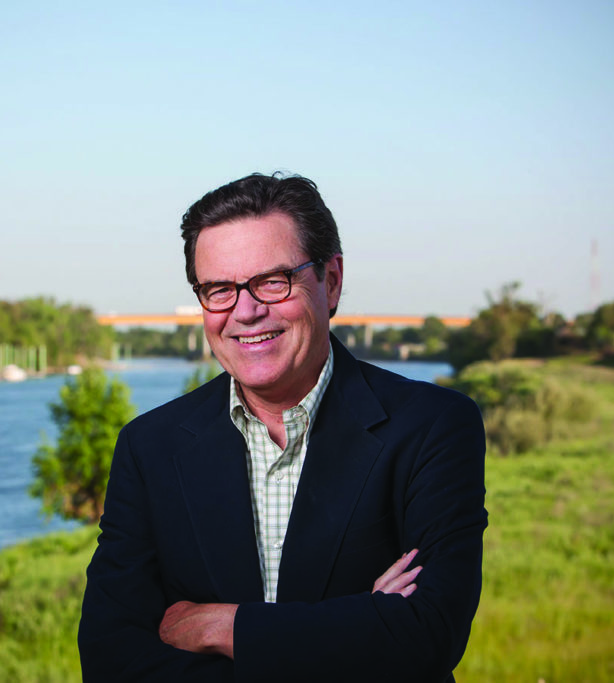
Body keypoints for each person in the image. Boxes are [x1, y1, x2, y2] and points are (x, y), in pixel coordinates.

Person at [78, 173, 487, 682]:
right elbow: (110, 658)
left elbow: (429, 633)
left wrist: (226, 627)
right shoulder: (150, 448)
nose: (245, 312)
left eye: (273, 281)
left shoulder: (432, 427)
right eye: (219, 290)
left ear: (331, 281)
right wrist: (360, 624)